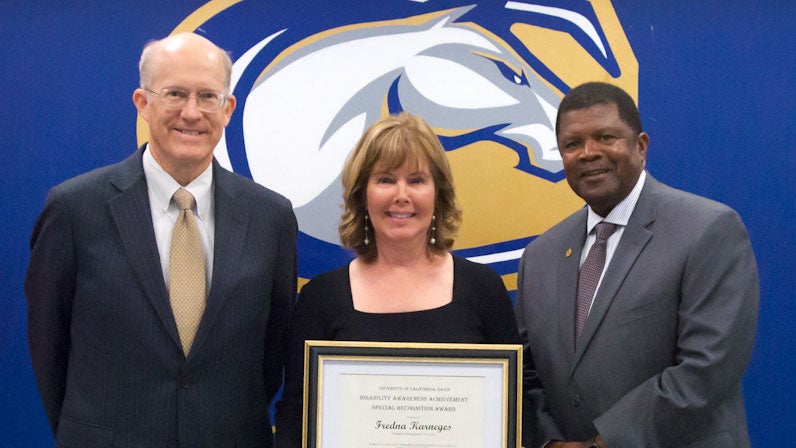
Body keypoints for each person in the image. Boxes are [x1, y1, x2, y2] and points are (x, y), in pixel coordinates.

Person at [25, 33, 297, 447]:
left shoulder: (270, 217)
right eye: (175, 94)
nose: (192, 112)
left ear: (228, 109)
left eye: (208, 96)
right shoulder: (74, 209)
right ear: (142, 103)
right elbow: (49, 347)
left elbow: (270, 355)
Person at [515, 81, 759, 448]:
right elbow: (528, 374)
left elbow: (707, 367)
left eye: (606, 137)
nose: (588, 153)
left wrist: (604, 442)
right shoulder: (539, 257)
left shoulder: (708, 229)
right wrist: (549, 440)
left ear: (640, 146)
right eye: (572, 144)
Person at [274, 112, 522, 447]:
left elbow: (513, 409)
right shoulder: (321, 298)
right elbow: (295, 417)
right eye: (386, 180)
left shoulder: (483, 289)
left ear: (438, 195)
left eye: (417, 180)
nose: (401, 195)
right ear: (363, 194)